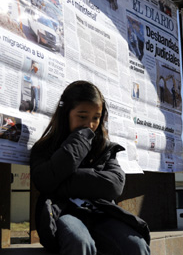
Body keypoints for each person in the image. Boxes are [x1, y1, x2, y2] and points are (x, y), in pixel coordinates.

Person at [30, 81, 150, 255]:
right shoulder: (46, 147)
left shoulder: (103, 147)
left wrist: (62, 183)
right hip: (63, 214)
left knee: (135, 245)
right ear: (66, 114)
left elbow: (114, 185)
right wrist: (79, 142)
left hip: (100, 214)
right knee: (79, 242)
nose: (90, 124)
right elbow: (44, 180)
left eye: (96, 118)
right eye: (82, 116)